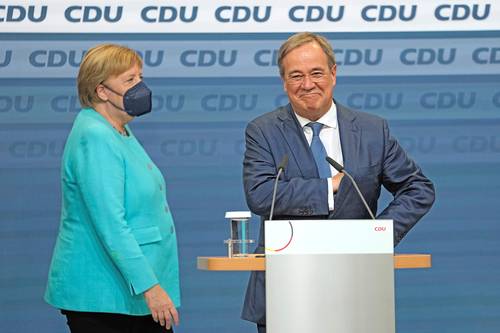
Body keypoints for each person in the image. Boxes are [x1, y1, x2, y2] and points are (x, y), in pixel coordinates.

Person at [241, 32, 435, 332]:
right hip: (286, 290)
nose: (307, 84)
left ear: (333, 73)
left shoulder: (372, 131)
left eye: (316, 73)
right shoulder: (263, 131)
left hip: (357, 287)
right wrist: (328, 187)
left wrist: (378, 235)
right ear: (284, 82)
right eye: (296, 76)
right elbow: (261, 195)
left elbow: (418, 188)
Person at [44, 44, 180, 332]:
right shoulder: (95, 136)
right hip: (105, 295)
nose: (140, 87)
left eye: (140, 77)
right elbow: (110, 223)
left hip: (125, 292)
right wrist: (150, 287)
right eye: (129, 80)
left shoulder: (119, 130)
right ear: (102, 91)